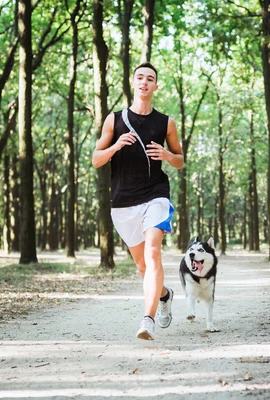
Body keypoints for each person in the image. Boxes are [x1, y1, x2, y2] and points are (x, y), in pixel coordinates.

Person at [92, 62, 184, 340]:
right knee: (143, 266)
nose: (145, 82)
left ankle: (148, 319)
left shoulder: (166, 122)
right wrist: (117, 145)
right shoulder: (114, 119)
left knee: (153, 252)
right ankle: (165, 295)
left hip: (155, 194)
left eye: (150, 79)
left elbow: (179, 161)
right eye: (140, 78)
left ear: (156, 86)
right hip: (123, 202)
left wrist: (167, 156)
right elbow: (96, 160)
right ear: (133, 83)